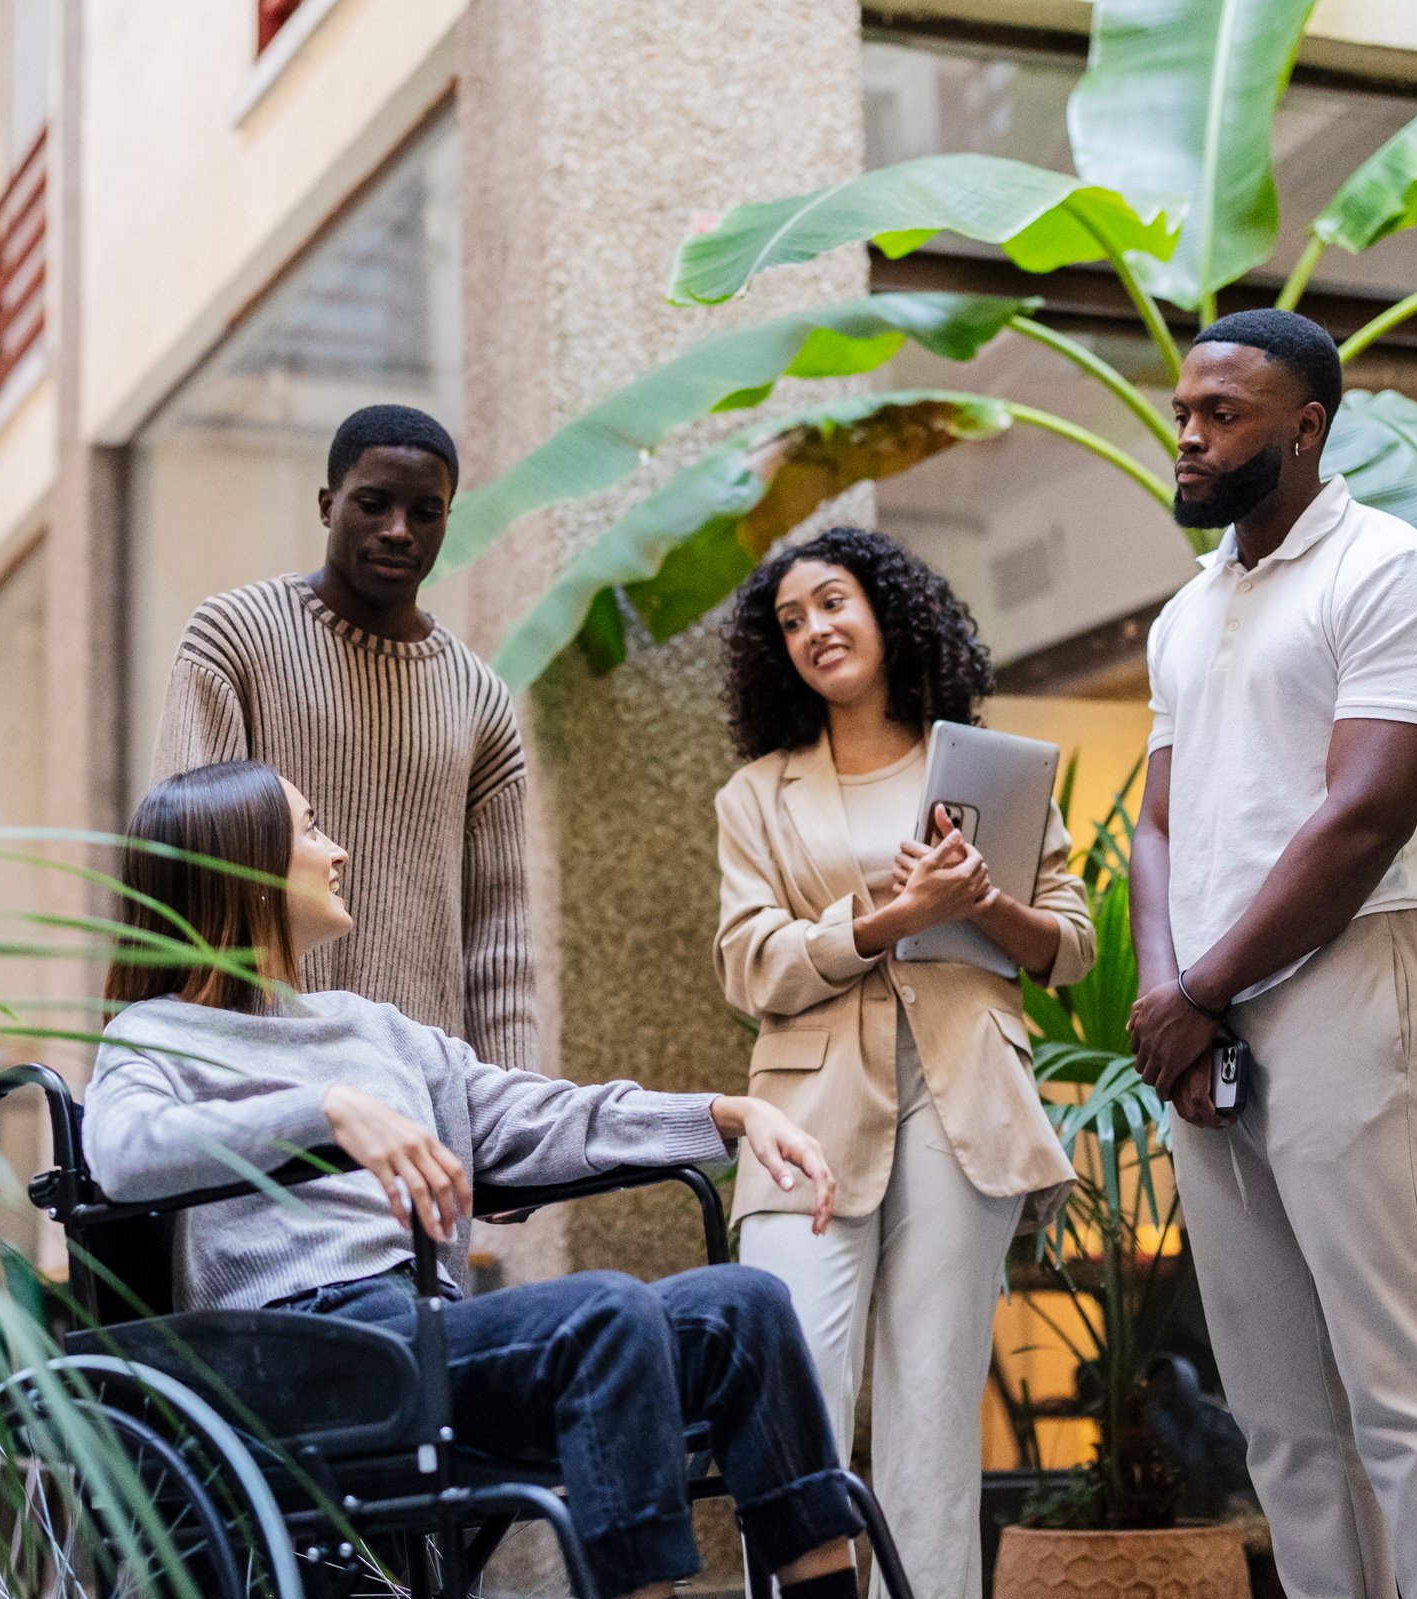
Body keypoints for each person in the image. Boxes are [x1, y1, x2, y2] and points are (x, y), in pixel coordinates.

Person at [84, 761, 866, 1599]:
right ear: (243, 871)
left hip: (423, 1330)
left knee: (744, 1307)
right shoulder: (156, 1033)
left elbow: (540, 1116)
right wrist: (326, 1110)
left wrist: (724, 1114)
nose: (339, 850)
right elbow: (124, 1152)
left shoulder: (376, 1030)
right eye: (311, 830)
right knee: (607, 1312)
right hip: (300, 1357)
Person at [1128, 309, 1417, 1599]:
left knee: (1406, 1383)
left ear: (1305, 429)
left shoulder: (1391, 570)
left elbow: (1361, 822)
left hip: (1354, 983)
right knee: (1281, 1413)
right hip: (1209, 1019)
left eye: (1220, 415)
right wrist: (1162, 998)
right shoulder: (1188, 610)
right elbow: (1159, 818)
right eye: (1182, 412)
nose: (1188, 435)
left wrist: (1200, 986)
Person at [711, 527, 1091, 1599]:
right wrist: (886, 917)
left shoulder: (986, 768)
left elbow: (1070, 942)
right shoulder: (756, 796)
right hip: (807, 1114)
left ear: (886, 610)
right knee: (796, 1404)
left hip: (963, 1099)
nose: (813, 631)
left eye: (831, 603)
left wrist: (979, 903)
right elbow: (751, 967)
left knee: (932, 1416)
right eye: (789, 621)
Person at [151, 404, 535, 1069]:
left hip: (423, 1090)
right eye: (374, 503)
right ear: (328, 505)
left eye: (425, 512)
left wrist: (516, 1128)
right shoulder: (234, 637)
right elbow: (188, 874)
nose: (398, 530)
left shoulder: (481, 700)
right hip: (262, 1078)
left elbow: (500, 946)